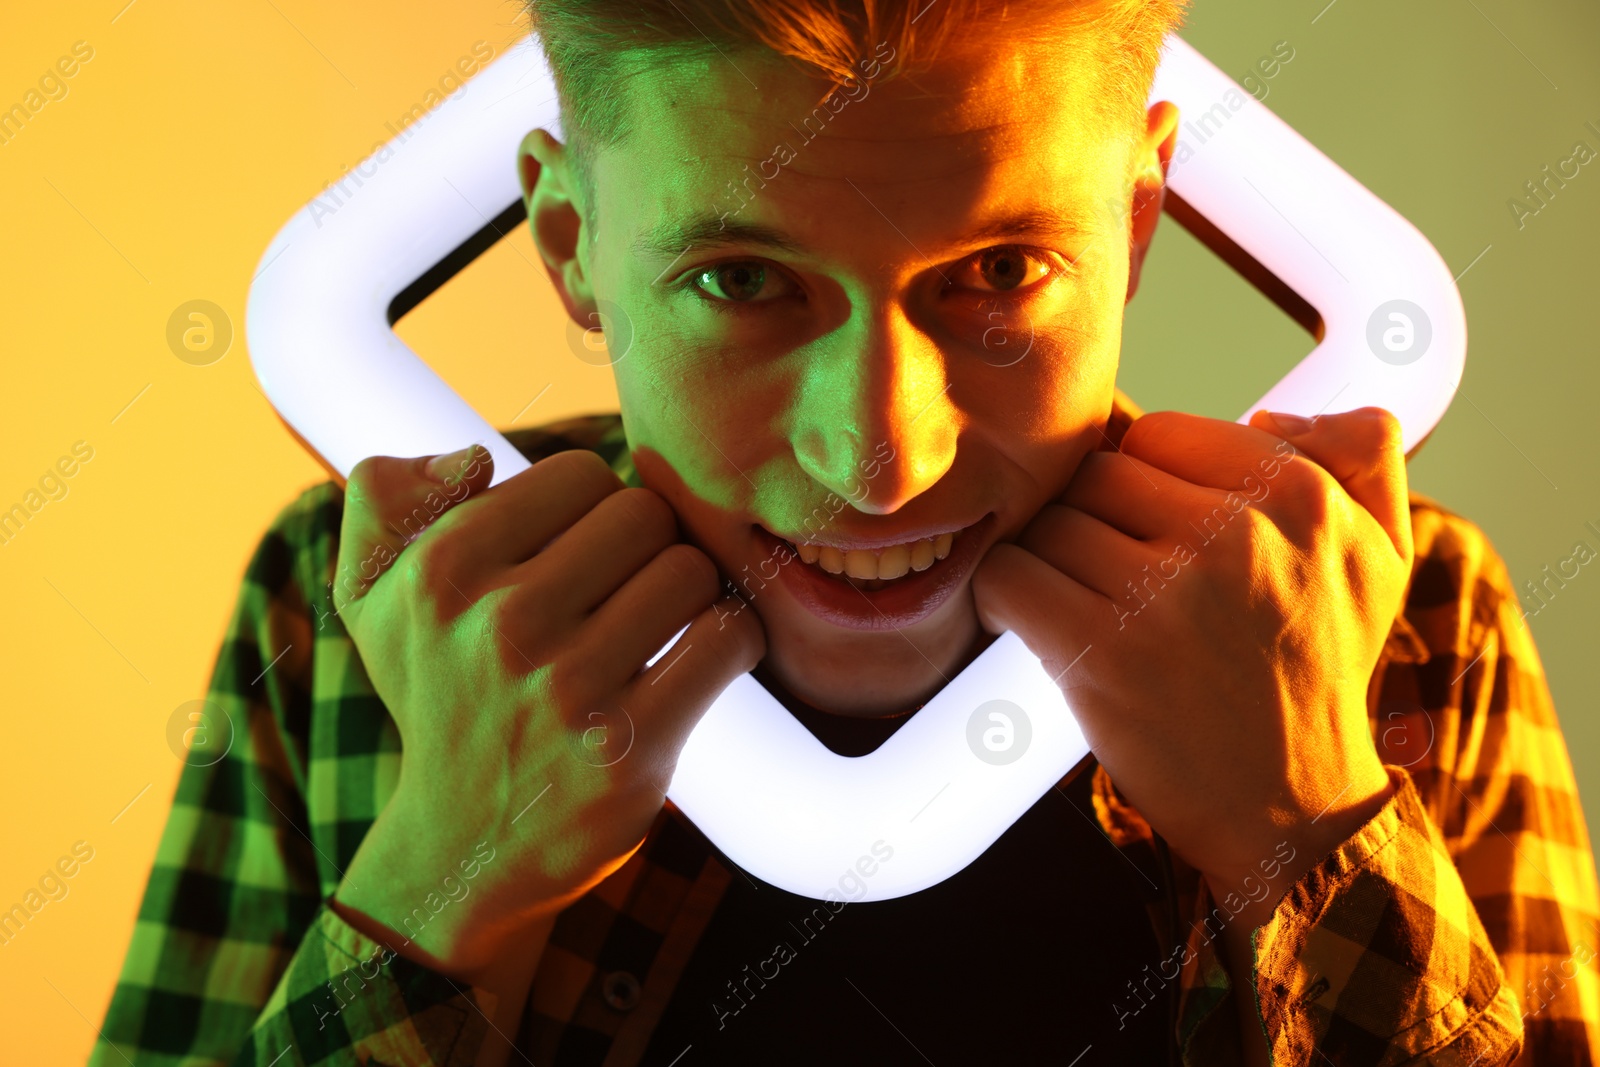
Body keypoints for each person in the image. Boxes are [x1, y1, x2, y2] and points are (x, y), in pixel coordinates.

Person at [92, 1, 1600, 1064]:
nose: (879, 460)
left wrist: (1309, 829)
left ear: (1138, 221)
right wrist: (440, 887)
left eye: (1000, 270)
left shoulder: (1403, 614)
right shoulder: (349, 604)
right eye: (745, 281)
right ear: (572, 246)